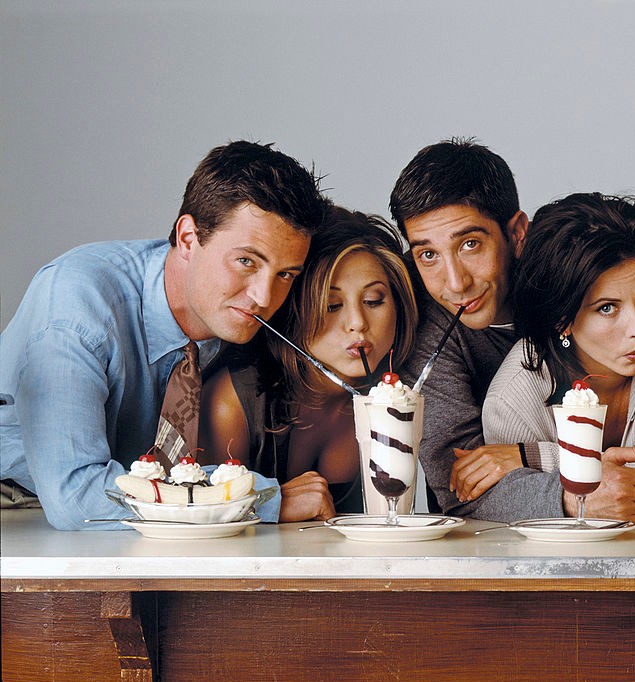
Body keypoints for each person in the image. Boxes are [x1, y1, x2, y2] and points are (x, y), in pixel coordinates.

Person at [0, 140, 331, 529]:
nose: (263, 297)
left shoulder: (234, 312)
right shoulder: (79, 302)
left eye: (285, 274)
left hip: (137, 520)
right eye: (246, 261)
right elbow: (75, 495)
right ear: (189, 238)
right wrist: (256, 499)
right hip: (28, 514)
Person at [482, 193, 635, 523]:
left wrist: (538, 459)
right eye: (607, 308)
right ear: (561, 320)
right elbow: (512, 505)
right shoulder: (513, 400)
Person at [199, 205, 418, 514]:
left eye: (373, 301)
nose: (357, 322)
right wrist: (268, 507)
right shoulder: (231, 401)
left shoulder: (404, 394)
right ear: (294, 310)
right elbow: (201, 519)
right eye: (332, 305)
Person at [389, 138, 535, 519]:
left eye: (470, 244)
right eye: (428, 255)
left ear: (517, 234)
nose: (454, 283)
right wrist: (577, 495)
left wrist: (528, 458)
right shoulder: (420, 321)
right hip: (480, 552)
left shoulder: (572, 286)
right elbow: (462, 487)